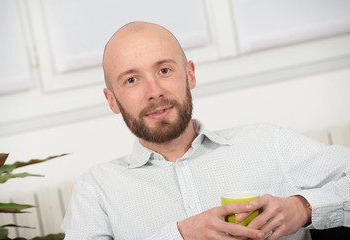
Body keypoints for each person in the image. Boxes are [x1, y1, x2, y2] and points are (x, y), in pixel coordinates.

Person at [61, 22, 350, 240]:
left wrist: (305, 207)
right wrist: (179, 235)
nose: (154, 92)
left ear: (190, 75)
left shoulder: (267, 142)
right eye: (132, 79)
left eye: (164, 70)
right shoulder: (95, 190)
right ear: (112, 100)